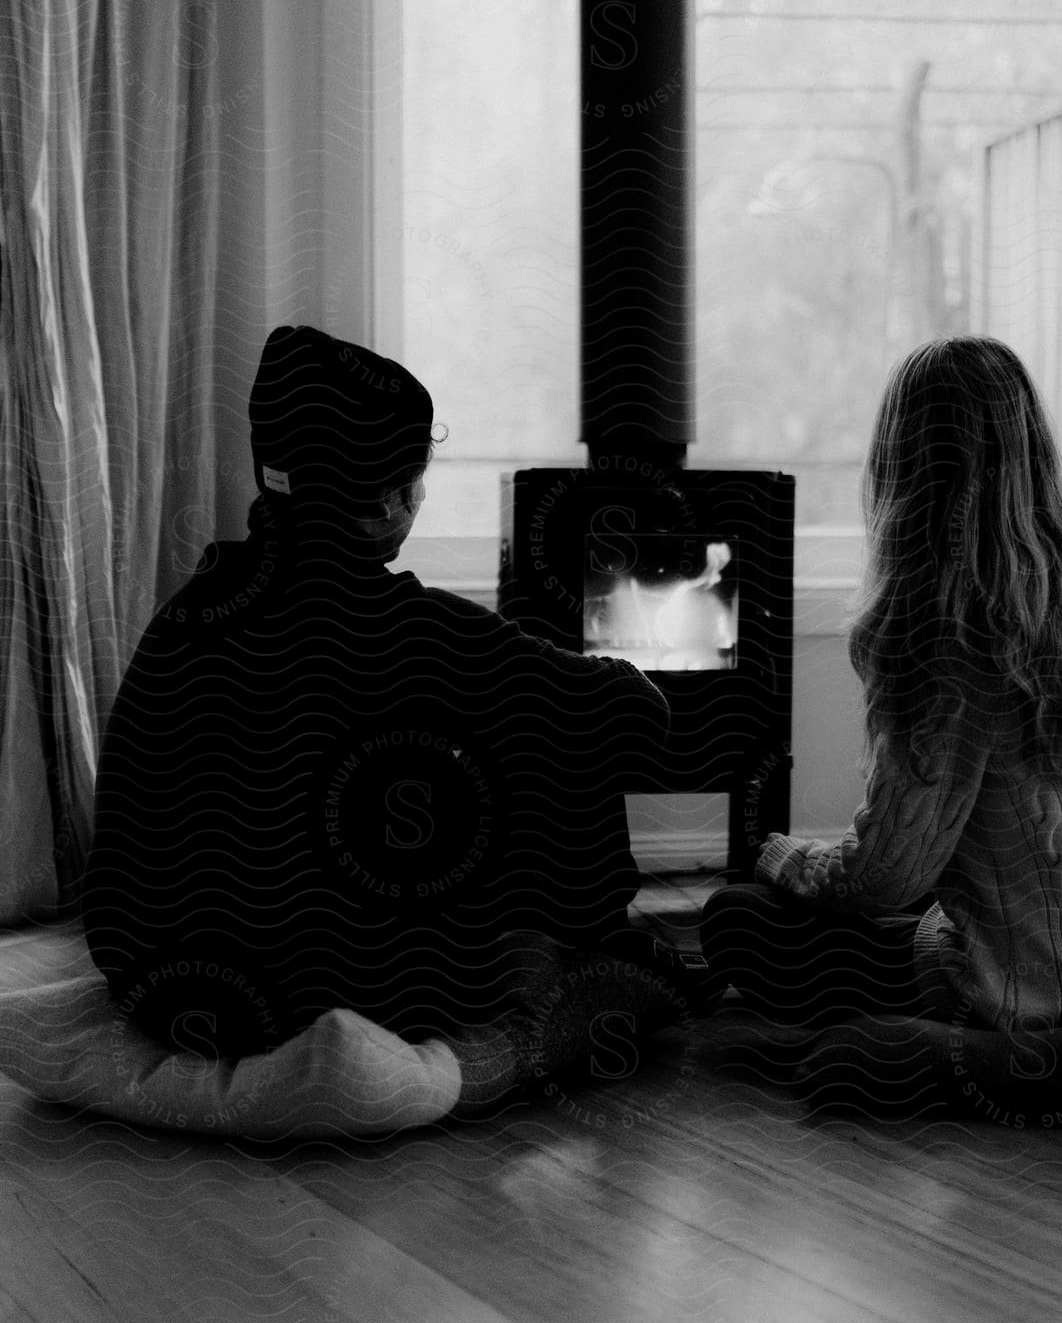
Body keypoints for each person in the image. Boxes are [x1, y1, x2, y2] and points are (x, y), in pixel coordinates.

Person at [83, 325, 680, 1058]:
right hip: (343, 988)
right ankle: (590, 960)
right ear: (390, 499)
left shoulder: (185, 615)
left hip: (157, 982)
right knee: (552, 728)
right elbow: (637, 719)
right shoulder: (419, 629)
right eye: (415, 479)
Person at [701, 337, 1062, 1031]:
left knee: (737, 916)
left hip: (1028, 989)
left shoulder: (944, 620)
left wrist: (785, 858)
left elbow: (887, 880)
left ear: (901, 460)